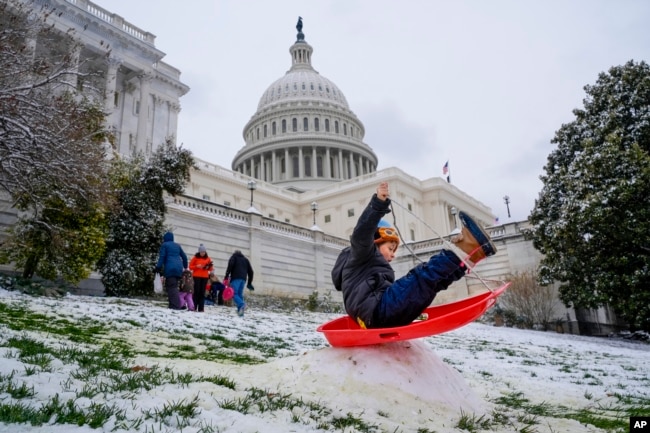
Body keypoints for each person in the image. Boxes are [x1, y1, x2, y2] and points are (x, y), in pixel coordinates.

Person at [331, 182, 497, 329]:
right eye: (390, 248)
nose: (393, 255)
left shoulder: (368, 267)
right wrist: (378, 204)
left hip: (377, 314)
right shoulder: (359, 253)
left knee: (432, 284)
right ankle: (466, 247)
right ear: (375, 241)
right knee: (421, 277)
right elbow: (362, 231)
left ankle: (472, 256)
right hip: (378, 310)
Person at [155, 231, 188, 310]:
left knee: (171, 287)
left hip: (170, 268)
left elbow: (162, 257)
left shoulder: (165, 245)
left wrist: (158, 267)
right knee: (173, 286)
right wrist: (185, 266)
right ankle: (172, 305)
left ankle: (175, 306)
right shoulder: (177, 246)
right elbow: (184, 257)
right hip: (178, 268)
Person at [225, 250, 254, 317]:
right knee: (239, 294)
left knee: (234, 294)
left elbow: (230, 266)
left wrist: (226, 276)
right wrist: (249, 282)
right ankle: (240, 312)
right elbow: (251, 272)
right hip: (243, 279)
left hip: (235, 278)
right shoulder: (246, 260)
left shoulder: (233, 257)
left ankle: (241, 304)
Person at [189, 244, 213, 312]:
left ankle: (201, 308)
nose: (203, 253)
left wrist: (208, 267)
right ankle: (194, 306)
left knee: (202, 292)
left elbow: (211, 268)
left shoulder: (208, 258)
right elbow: (190, 266)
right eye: (201, 252)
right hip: (196, 276)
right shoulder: (195, 258)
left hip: (204, 277)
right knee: (196, 291)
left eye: (204, 252)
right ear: (199, 252)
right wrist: (197, 266)